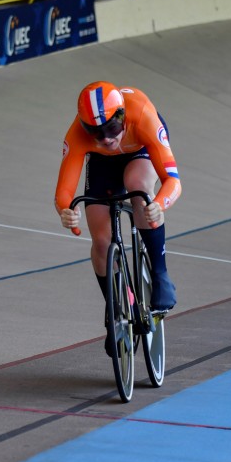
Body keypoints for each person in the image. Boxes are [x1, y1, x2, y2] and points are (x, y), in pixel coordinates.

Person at [55, 82, 182, 347]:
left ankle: (160, 274)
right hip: (103, 164)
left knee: (138, 188)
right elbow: (64, 191)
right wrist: (67, 211)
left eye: (112, 129)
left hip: (141, 150)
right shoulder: (78, 135)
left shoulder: (143, 115)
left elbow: (173, 181)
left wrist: (159, 203)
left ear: (123, 117)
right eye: (96, 133)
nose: (106, 139)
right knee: (101, 241)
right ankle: (116, 307)